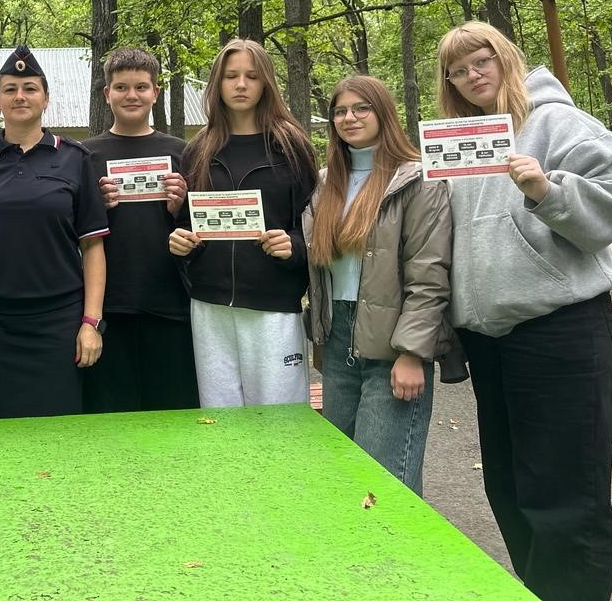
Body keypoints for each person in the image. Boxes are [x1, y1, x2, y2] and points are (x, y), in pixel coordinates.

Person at [436, 21, 612, 601]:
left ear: (505, 58)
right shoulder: (461, 142)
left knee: (565, 496)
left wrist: (548, 191)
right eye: (458, 71)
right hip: (489, 339)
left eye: (481, 61)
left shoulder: (557, 122)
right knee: (509, 489)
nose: (471, 75)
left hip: (560, 331)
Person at [302, 76, 453, 495]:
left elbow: (429, 274)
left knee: (385, 480)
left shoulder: (417, 180)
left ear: (383, 112)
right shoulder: (325, 183)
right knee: (345, 474)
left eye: (361, 108)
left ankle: (401, 543)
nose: (349, 118)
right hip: (337, 340)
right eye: (340, 111)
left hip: (393, 342)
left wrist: (412, 352)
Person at [0, 45, 110, 418]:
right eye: (10, 89)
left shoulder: (76, 158)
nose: (20, 96)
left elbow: (93, 246)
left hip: (59, 321)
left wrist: (91, 323)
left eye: (30, 88)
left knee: (59, 429)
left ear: (46, 98)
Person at [168, 38, 317, 407]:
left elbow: (314, 223)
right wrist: (182, 242)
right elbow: (189, 222)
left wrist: (295, 247)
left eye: (251, 76)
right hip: (210, 307)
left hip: (273, 307)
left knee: (281, 423)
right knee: (220, 422)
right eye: (231, 76)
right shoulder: (198, 149)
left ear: (266, 83)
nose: (240, 85)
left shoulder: (292, 145)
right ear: (217, 83)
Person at [83, 47, 197, 412]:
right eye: (121, 87)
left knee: (172, 416)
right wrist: (95, 207)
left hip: (170, 306)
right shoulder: (86, 155)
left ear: (155, 92)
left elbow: (198, 231)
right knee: (111, 419)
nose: (131, 95)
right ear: (107, 94)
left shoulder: (181, 152)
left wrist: (180, 208)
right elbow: (71, 229)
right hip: (109, 308)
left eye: (141, 87)